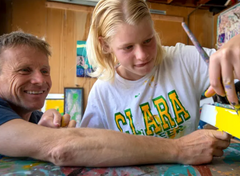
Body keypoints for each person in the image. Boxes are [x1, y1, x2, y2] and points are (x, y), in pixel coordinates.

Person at [1, 31, 225, 167]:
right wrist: (180, 149)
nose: (40, 80)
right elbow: (62, 149)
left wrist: (47, 130)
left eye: (45, 70)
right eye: (24, 70)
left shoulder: (35, 118)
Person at [80, 0, 240, 164]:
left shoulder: (184, 60)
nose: (142, 55)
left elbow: (229, 64)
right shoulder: (103, 92)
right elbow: (87, 149)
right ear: (105, 45)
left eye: (148, 40)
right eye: (128, 47)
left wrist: (236, 43)